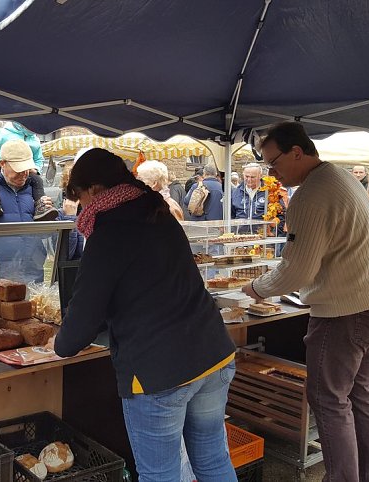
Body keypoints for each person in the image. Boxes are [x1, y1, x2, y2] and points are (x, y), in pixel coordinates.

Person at [52, 148, 237, 481]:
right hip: (213, 353)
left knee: (160, 475)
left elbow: (79, 326)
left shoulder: (108, 230)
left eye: (79, 197)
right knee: (212, 460)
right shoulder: (157, 210)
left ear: (95, 189)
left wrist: (59, 342)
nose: (80, 207)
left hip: (159, 371)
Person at [241, 122, 369, 482]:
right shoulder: (341, 177)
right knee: (362, 393)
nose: (272, 173)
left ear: (297, 152)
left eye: (274, 163)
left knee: (329, 400)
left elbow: (296, 271)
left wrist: (256, 287)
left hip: (348, 311)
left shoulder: (311, 195)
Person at [0, 140, 82, 281]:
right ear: (3, 164)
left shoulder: (36, 193)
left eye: (27, 169)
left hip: (32, 275)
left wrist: (50, 217)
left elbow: (47, 236)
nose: (24, 174)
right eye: (18, 170)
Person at [0, 121, 58, 221]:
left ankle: (41, 207)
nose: (23, 175)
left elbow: (39, 159)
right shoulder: (4, 133)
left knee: (37, 180)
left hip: (28, 165)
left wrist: (34, 168)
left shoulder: (35, 140)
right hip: (0, 163)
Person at [231, 162, 267, 228]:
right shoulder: (236, 192)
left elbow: (280, 216)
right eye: (246, 176)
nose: (249, 180)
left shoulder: (269, 192)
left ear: (260, 176)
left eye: (253, 177)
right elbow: (231, 214)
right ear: (243, 175)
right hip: (240, 235)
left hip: (262, 234)